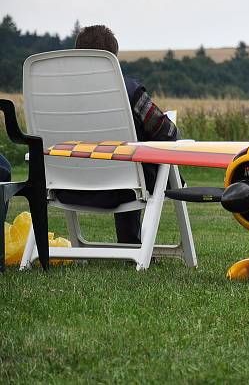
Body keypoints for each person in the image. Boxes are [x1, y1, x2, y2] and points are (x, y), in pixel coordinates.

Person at [55, 25, 179, 244]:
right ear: (112, 57)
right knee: (134, 154)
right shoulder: (129, 90)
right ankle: (131, 242)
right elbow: (167, 133)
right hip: (123, 187)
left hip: (66, 186)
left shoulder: (54, 93)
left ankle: (129, 241)